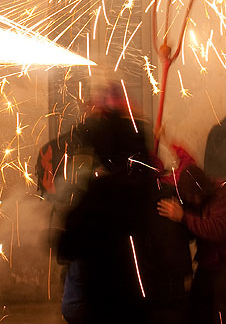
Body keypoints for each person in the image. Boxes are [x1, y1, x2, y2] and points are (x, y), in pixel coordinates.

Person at [57, 107, 152, 324]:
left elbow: (69, 244)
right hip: (136, 302)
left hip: (105, 302)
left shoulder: (103, 191)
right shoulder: (144, 185)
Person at [158, 146, 226, 324]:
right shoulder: (191, 198)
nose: (194, 202)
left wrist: (182, 217)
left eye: (196, 198)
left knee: (222, 313)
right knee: (196, 307)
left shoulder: (223, 194)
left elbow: (216, 230)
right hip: (210, 261)